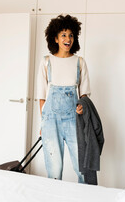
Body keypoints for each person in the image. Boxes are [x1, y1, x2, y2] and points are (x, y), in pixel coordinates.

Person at [37, 14, 91, 183]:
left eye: (71, 35)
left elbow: (84, 95)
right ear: (55, 38)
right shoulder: (46, 62)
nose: (68, 39)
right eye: (63, 35)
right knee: (54, 170)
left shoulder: (79, 62)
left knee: (82, 168)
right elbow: (41, 97)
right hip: (50, 122)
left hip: (74, 121)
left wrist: (82, 106)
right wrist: (44, 123)